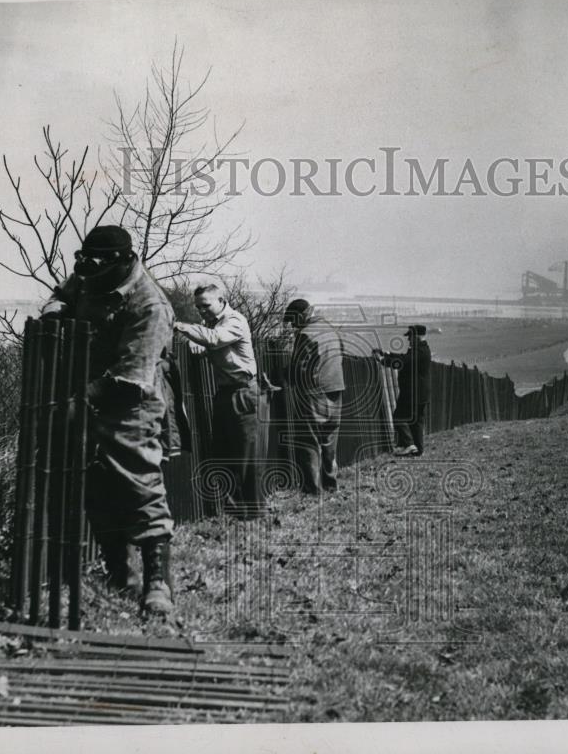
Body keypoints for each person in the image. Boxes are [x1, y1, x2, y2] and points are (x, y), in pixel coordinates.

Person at [41, 225, 179, 617]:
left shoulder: (149, 304)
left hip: (131, 401)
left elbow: (132, 373)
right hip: (86, 392)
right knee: (95, 485)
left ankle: (157, 582)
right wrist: (55, 311)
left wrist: (80, 399)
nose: (87, 274)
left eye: (96, 267)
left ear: (122, 263)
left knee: (140, 485)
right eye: (83, 265)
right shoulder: (90, 273)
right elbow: (64, 292)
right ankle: (119, 571)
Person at [175, 284, 267, 519]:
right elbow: (216, 347)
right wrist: (198, 345)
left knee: (247, 455)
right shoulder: (211, 325)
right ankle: (236, 511)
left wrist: (182, 327)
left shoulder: (234, 320)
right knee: (225, 453)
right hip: (226, 393)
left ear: (221, 300)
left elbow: (216, 340)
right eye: (198, 307)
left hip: (243, 393)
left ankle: (254, 513)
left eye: (205, 305)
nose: (201, 311)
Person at [283, 299, 345, 495]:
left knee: (309, 441)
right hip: (335, 388)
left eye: (293, 321)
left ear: (302, 315)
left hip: (314, 392)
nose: (292, 326)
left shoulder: (305, 334)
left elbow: (300, 368)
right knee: (329, 441)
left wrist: (283, 376)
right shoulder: (331, 330)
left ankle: (312, 490)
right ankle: (330, 485)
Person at [373, 324, 432, 456]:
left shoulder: (419, 352)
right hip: (421, 394)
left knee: (399, 417)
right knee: (416, 421)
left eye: (410, 337)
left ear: (416, 336)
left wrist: (383, 360)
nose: (409, 340)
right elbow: (405, 358)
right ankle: (418, 449)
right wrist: (388, 353)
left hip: (413, 394)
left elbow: (403, 362)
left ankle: (409, 444)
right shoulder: (423, 350)